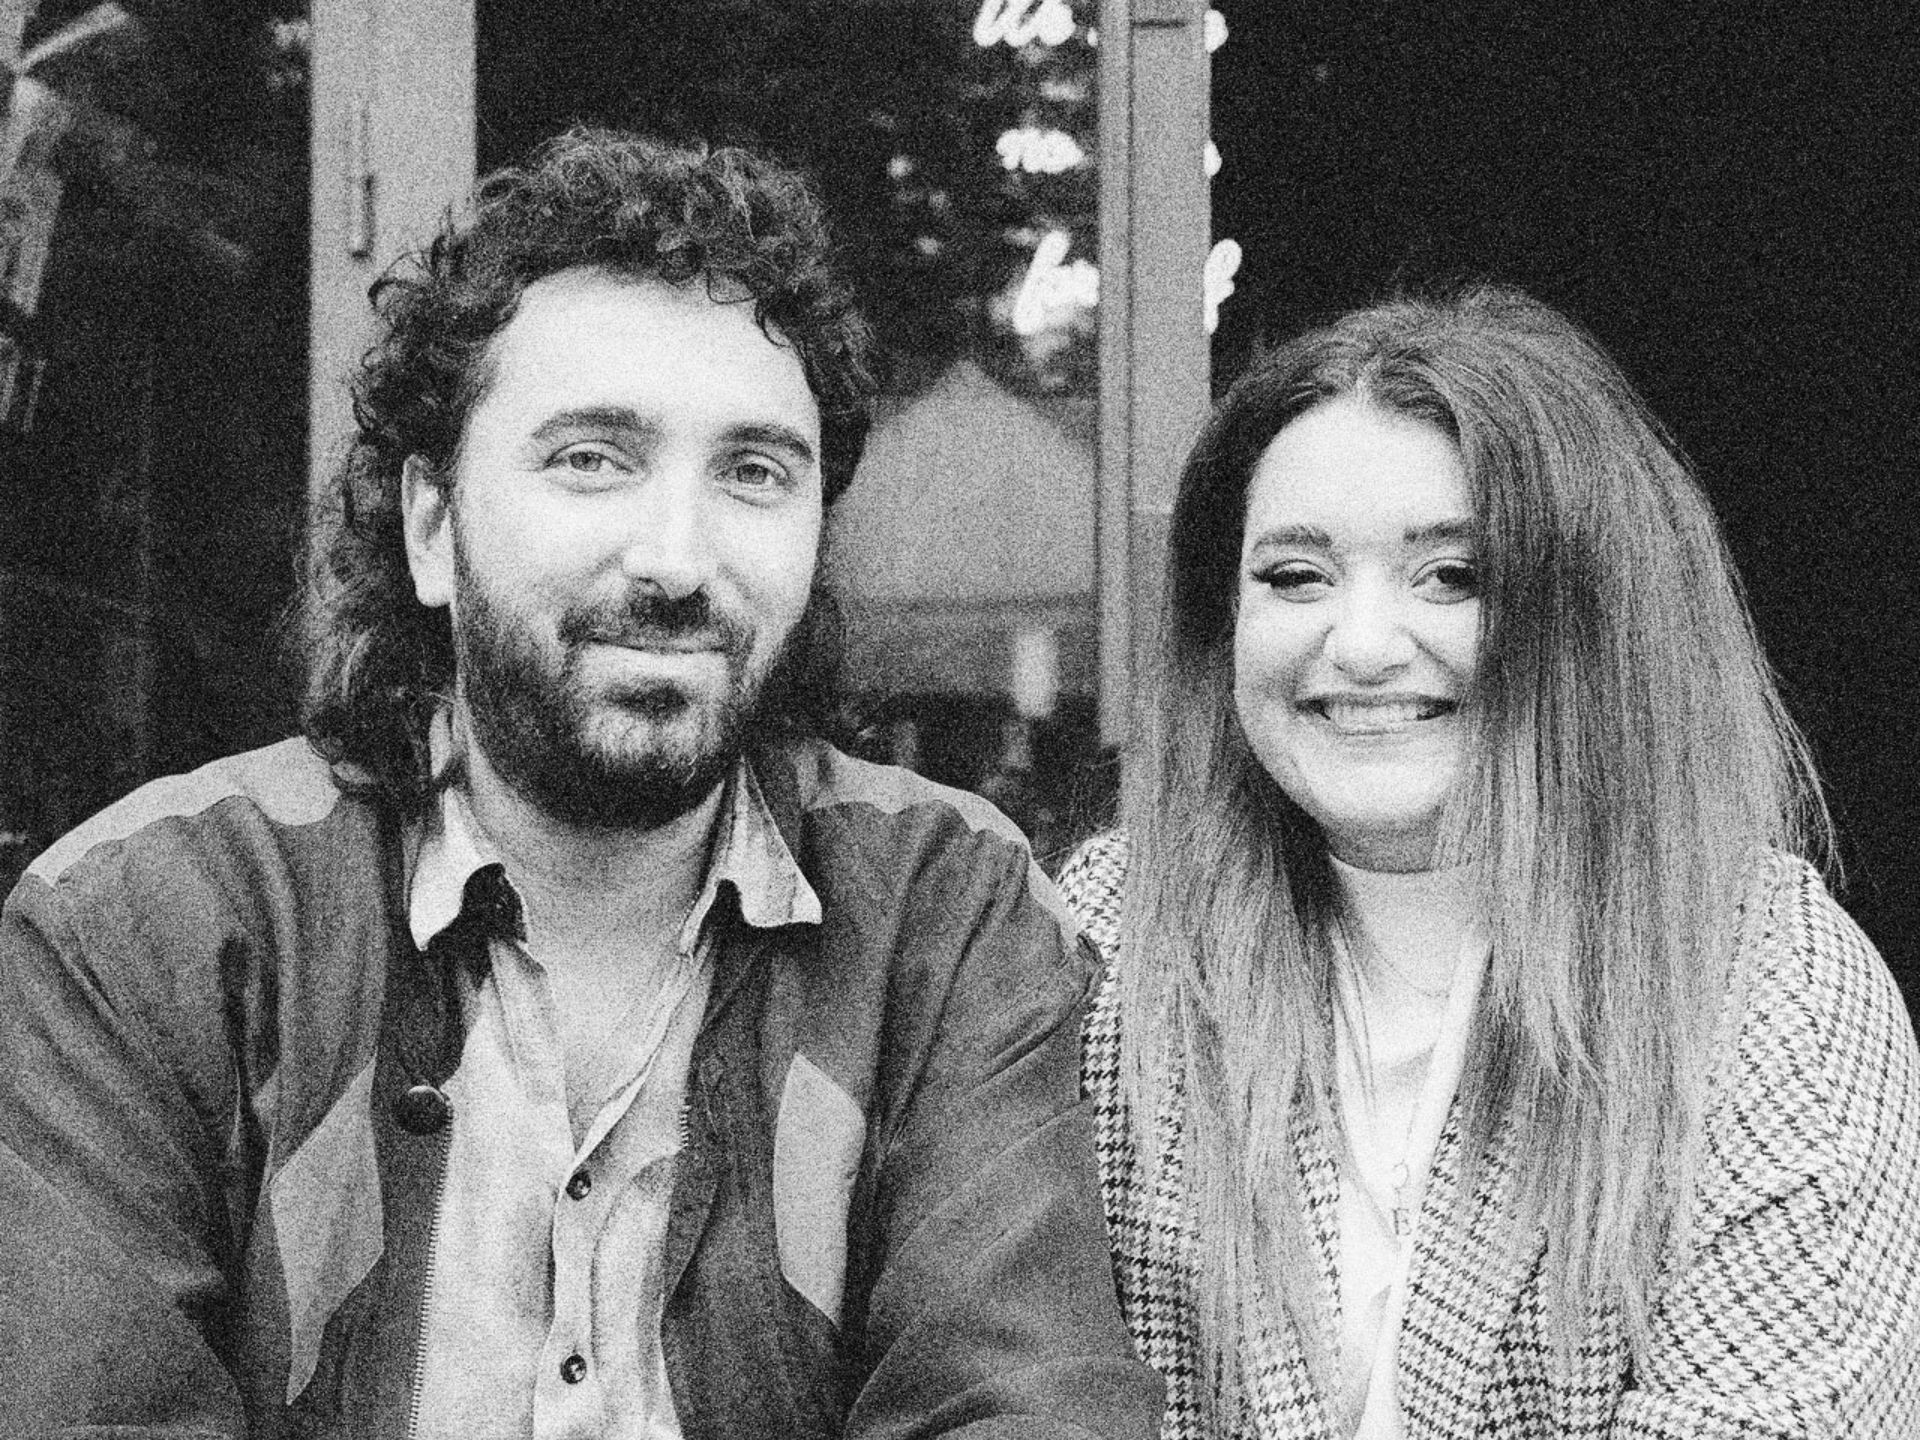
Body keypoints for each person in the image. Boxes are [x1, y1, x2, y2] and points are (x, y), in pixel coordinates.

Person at [0, 129, 1162, 1439]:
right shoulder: (144, 928)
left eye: (753, 473)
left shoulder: (943, 914)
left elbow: (1022, 1406)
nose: (676, 557)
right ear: (431, 526)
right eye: (591, 459)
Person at [1060, 284, 1920, 1438]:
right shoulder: (1105, 942)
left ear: (1592, 622)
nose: (1362, 644)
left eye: (1454, 576)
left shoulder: (1764, 982)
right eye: (1296, 577)